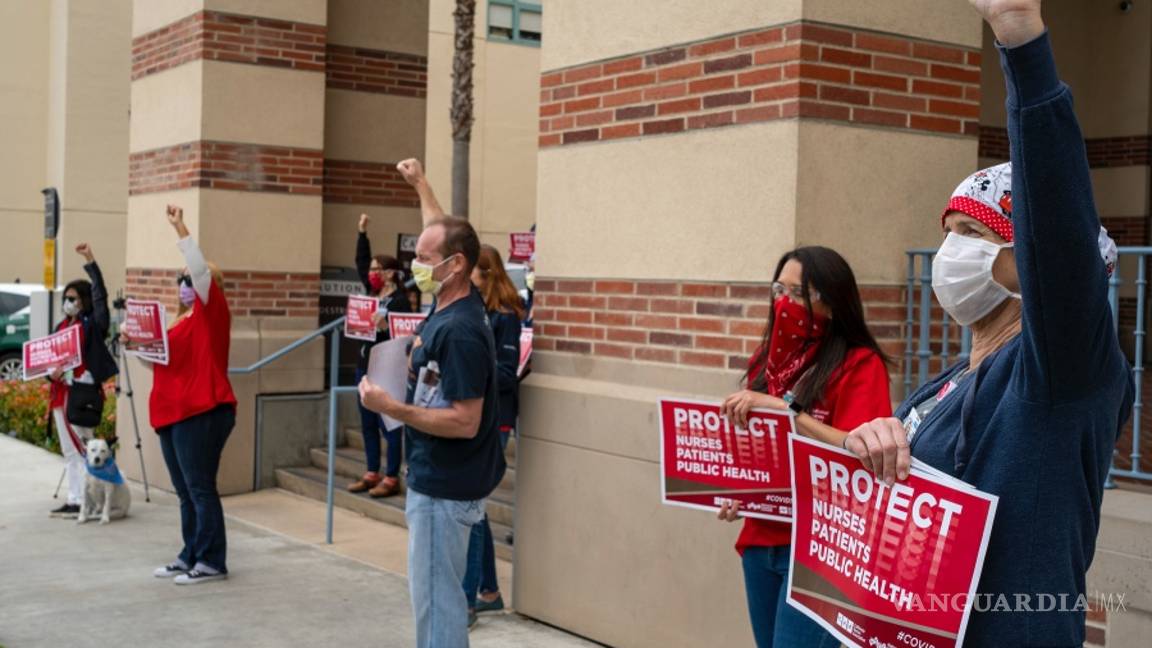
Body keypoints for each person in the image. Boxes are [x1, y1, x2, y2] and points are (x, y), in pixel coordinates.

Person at [843, 1, 1134, 644]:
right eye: (950, 234)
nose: (953, 254)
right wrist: (876, 441)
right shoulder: (948, 381)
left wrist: (1019, 39)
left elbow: (1057, 222)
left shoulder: (1061, 374)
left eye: (974, 234)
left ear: (1028, 260)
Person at [717, 246, 892, 647]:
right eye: (779, 289)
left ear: (830, 302)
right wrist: (735, 489)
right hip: (762, 539)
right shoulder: (768, 360)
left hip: (821, 550)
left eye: (798, 293)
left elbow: (859, 452)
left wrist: (786, 409)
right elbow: (757, 448)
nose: (784, 302)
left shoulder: (860, 364)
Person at [359, 213, 505, 648]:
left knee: (438, 606)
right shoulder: (448, 308)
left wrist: (392, 408)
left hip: (445, 488)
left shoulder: (461, 328)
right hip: (436, 479)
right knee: (434, 601)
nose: (416, 265)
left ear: (456, 264)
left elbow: (465, 420)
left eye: (425, 258)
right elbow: (448, 227)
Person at [129, 204, 237, 585]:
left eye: (188, 279)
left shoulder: (213, 314)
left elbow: (201, 271)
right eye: (181, 280)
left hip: (203, 409)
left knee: (200, 487)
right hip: (172, 412)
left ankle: (211, 561)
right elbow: (158, 364)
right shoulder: (177, 323)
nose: (185, 284)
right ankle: (189, 553)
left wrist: (181, 229)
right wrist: (136, 344)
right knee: (185, 491)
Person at [461, 244, 524, 625]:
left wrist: (471, 371)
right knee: (474, 507)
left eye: (469, 270)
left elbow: (506, 372)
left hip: (495, 420)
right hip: (478, 415)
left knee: (474, 506)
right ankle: (488, 590)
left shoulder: (505, 316)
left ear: (483, 273)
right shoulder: (476, 311)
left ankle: (472, 598)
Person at [47, 243, 117, 518]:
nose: (69, 302)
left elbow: (101, 297)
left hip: (82, 393)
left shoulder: (91, 325)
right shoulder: (61, 327)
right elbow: (47, 358)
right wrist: (49, 372)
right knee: (69, 449)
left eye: (74, 298)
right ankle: (76, 497)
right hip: (60, 393)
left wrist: (91, 262)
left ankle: (88, 499)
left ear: (84, 301)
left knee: (84, 447)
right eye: (66, 298)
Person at [346, 212, 413, 498]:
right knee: (368, 422)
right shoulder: (371, 294)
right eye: (372, 269)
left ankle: (391, 475)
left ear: (390, 273)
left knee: (390, 423)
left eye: (378, 269)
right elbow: (361, 264)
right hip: (366, 365)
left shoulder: (400, 300)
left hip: (387, 368)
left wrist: (385, 326)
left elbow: (404, 335)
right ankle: (372, 470)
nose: (372, 273)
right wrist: (362, 233)